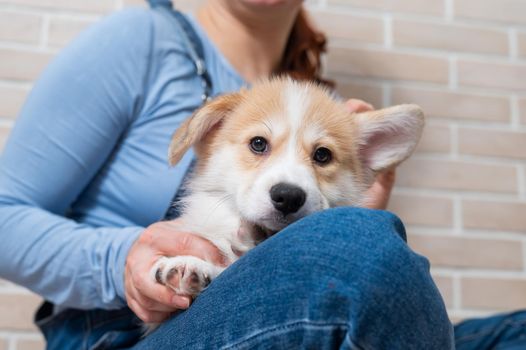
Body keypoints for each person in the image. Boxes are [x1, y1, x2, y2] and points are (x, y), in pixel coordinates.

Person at [7, 0, 519, 348]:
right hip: (127, 332)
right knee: (361, 242)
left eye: (320, 155)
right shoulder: (145, 39)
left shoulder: (313, 98)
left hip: (277, 316)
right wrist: (123, 261)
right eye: (258, 145)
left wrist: (344, 229)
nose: (289, 172)